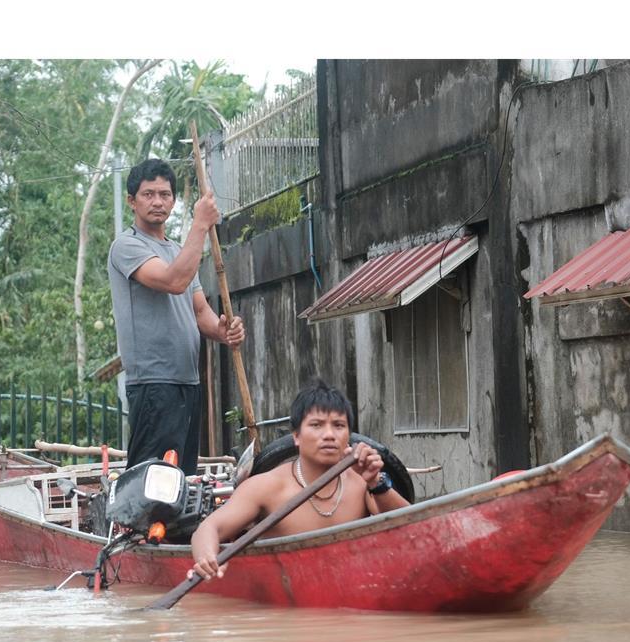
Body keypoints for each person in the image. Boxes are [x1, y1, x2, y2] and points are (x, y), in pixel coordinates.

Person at [189, 379, 409, 581]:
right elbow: (209, 528)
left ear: (348, 435)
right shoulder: (266, 486)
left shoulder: (361, 482)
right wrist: (207, 557)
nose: (329, 434)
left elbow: (412, 531)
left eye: (339, 426)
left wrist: (376, 482)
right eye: (316, 425)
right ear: (296, 436)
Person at [108, 158, 245, 475]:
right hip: (154, 382)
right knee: (152, 480)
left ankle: (180, 527)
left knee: (182, 477)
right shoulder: (126, 246)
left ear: (173, 199)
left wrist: (226, 330)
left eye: (165, 194)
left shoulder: (178, 251)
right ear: (132, 201)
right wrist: (199, 225)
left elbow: (200, 312)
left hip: (188, 381)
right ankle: (144, 527)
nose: (158, 201)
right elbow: (173, 281)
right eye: (148, 194)